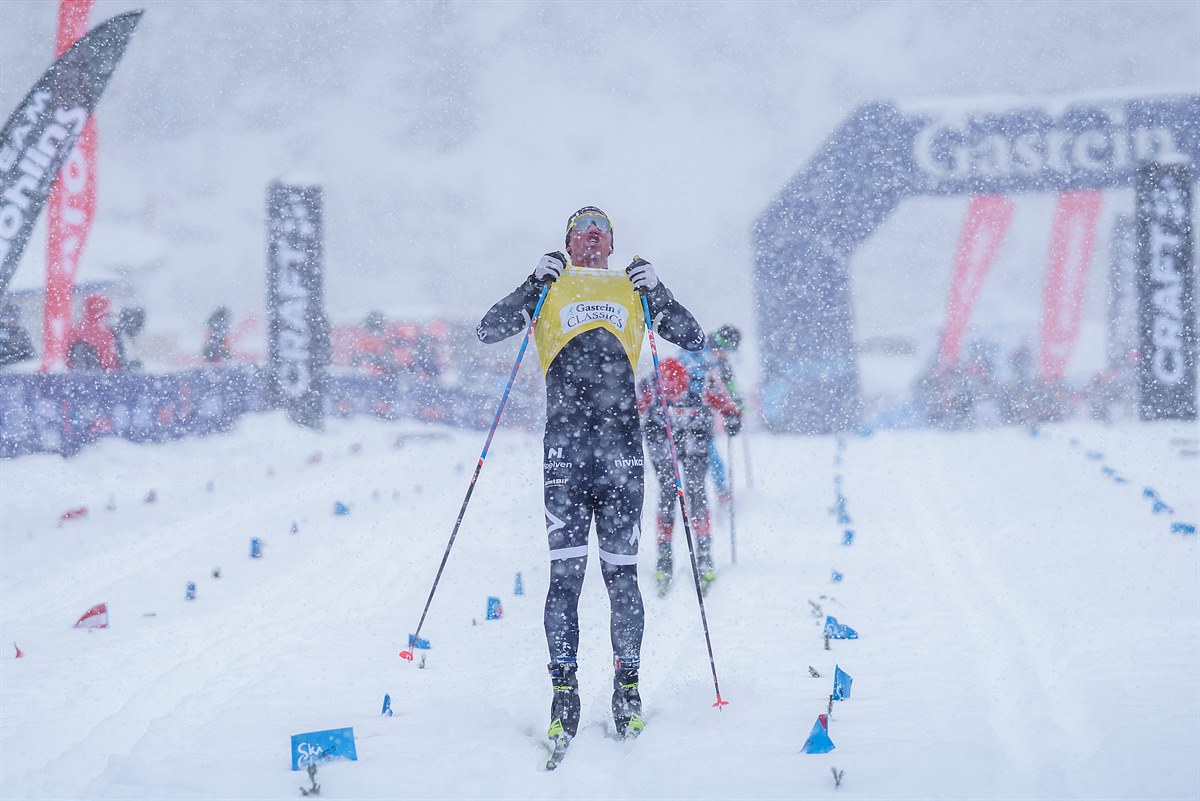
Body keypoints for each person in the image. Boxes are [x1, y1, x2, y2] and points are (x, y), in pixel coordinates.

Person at [477, 206, 703, 754]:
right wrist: (531, 284)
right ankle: (564, 694)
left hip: (621, 452)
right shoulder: (549, 285)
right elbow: (488, 330)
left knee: (621, 577)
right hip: (566, 454)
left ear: (612, 242)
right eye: (582, 228)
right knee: (566, 579)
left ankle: (627, 691)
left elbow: (692, 337)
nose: (593, 234)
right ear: (569, 241)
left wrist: (662, 294)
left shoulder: (633, 286)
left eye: (601, 228)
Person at [638, 352, 741, 598]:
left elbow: (727, 404)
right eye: (670, 395)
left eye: (679, 393)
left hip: (695, 436)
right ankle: (664, 555)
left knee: (695, 491)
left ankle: (704, 553)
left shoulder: (702, 381)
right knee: (668, 491)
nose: (676, 399)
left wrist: (732, 417)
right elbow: (631, 410)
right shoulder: (650, 384)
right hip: (661, 437)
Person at [678, 323, 745, 504]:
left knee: (710, 454)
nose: (725, 356)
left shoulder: (718, 359)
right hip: (684, 414)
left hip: (700, 413)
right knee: (705, 456)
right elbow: (699, 383)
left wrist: (736, 408)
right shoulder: (697, 352)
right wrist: (731, 408)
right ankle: (715, 495)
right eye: (726, 351)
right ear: (721, 345)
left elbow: (728, 384)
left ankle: (719, 494)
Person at [66, 293, 120, 371]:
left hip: (76, 377)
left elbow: (68, 357)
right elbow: (109, 361)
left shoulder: (75, 330)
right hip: (100, 376)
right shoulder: (104, 333)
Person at [0, 303, 35, 368]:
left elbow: (30, 354)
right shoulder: (1, 332)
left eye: (14, 316)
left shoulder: (22, 333)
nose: (11, 320)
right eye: (8, 317)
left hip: (17, 370)